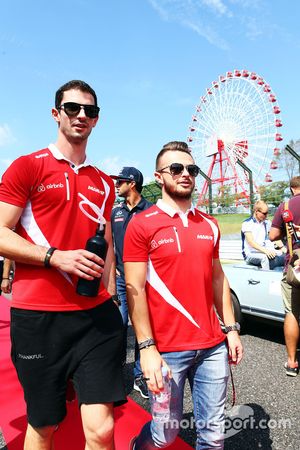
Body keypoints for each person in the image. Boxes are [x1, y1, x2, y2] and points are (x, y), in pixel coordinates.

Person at [0, 80, 126, 450]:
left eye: (90, 111)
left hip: (95, 317)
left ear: (97, 120)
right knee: (45, 426)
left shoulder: (104, 182)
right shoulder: (27, 167)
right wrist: (55, 256)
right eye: (73, 108)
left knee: (102, 430)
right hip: (39, 318)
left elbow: (107, 250)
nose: (81, 116)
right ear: (57, 114)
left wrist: (112, 296)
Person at [123, 141, 243, 450]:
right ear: (159, 177)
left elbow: (218, 278)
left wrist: (231, 329)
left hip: (212, 347)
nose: (185, 174)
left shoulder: (210, 224)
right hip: (167, 351)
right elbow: (134, 289)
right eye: (176, 168)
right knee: (165, 435)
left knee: (214, 437)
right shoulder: (141, 225)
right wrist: (146, 348)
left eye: (192, 169)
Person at [111, 167, 152, 399]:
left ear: (133, 183)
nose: (117, 185)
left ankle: (139, 375)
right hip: (119, 279)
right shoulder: (115, 211)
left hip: (142, 282)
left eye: (121, 181)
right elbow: (110, 246)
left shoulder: (151, 211)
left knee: (141, 329)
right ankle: (114, 374)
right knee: (117, 327)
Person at [269, 176, 300, 377]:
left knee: (292, 312)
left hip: (294, 266)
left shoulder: (285, 206)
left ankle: (291, 362)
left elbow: (272, 235)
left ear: (291, 188)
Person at [241, 200, 285, 270]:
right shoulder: (247, 223)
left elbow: (274, 237)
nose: (266, 215)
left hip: (263, 252)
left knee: (284, 257)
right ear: (256, 211)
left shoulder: (267, 223)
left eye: (267, 213)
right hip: (250, 254)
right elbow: (251, 242)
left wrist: (283, 248)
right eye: (264, 213)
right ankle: (267, 278)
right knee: (265, 259)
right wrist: (266, 251)